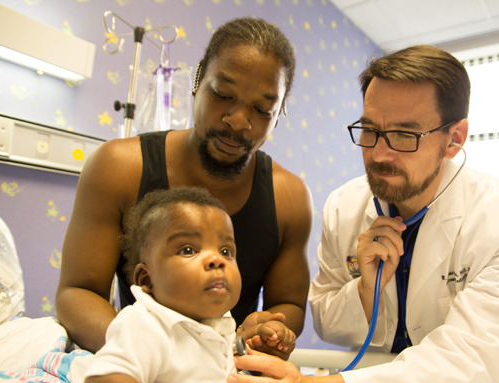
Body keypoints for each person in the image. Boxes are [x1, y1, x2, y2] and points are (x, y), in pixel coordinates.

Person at [226, 45, 499, 383]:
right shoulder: (343, 206)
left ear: (454, 139)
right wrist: (363, 288)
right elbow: (325, 319)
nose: (378, 153)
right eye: (370, 130)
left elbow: (470, 359)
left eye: (404, 135)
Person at [55, 17, 312, 358]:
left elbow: (288, 304)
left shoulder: (289, 199)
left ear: (279, 113)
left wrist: (267, 331)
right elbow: (77, 292)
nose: (238, 120)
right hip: (134, 361)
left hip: (226, 370)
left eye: (262, 109)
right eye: (223, 94)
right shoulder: (118, 169)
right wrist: (139, 352)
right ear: (197, 82)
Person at [82, 187, 296, 383]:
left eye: (227, 251)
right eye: (187, 250)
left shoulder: (219, 324)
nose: (216, 259)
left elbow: (209, 368)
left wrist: (245, 345)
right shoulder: (147, 324)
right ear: (146, 280)